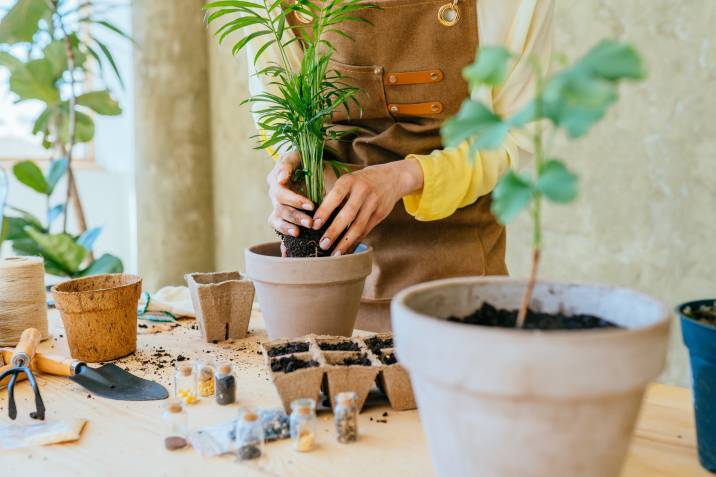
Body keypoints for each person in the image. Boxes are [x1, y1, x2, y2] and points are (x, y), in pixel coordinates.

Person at [250, 0, 554, 331]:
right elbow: (280, 112)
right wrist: (291, 165)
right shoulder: (273, 5)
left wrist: (404, 177)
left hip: (458, 284)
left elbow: (514, 135)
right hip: (329, 288)